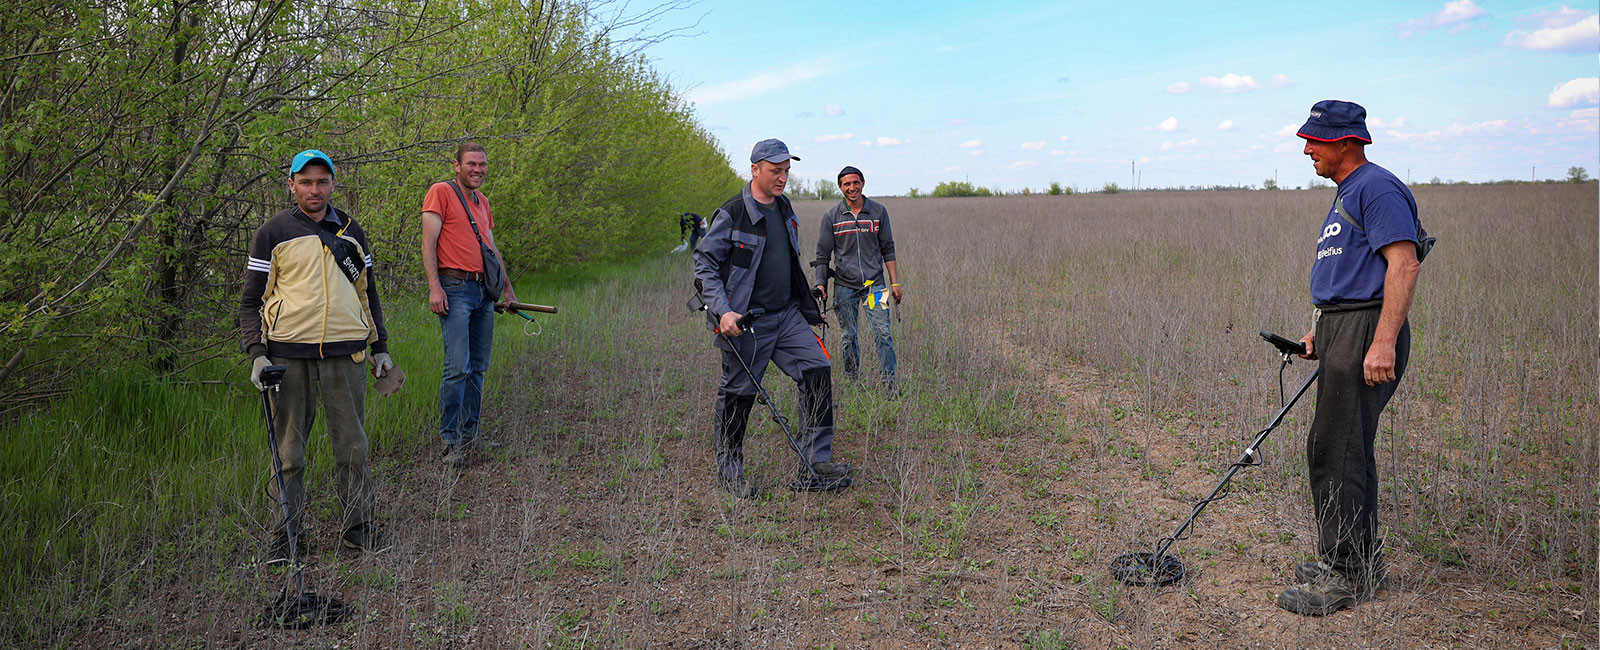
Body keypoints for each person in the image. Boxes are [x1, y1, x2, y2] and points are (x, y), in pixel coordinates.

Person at [1278, 100, 1427, 616]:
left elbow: (1403, 265)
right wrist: (1322, 328)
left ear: (1346, 141)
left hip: (1367, 328)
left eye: (1315, 140)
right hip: (1346, 327)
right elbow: (1348, 274)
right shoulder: (1351, 192)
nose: (1306, 150)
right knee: (1343, 447)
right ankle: (1357, 558)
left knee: (1337, 450)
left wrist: (1382, 340)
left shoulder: (1376, 187)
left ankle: (1347, 574)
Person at [239, 149, 393, 561]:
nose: (314, 189)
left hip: (349, 355)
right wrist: (257, 353)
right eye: (305, 182)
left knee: (353, 448)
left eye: (322, 181)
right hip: (288, 358)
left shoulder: (351, 230)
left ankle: (356, 527)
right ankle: (285, 534)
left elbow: (368, 292)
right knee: (289, 452)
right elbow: (250, 301)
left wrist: (380, 348)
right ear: (291, 184)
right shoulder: (272, 233)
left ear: (333, 184)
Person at [694, 139, 852, 498]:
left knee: (817, 371)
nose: (783, 178)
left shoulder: (784, 206)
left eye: (786, 171)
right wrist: (724, 311)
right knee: (738, 394)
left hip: (787, 316)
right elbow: (704, 265)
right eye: (775, 171)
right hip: (747, 321)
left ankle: (814, 465)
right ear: (755, 170)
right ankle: (730, 469)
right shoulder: (732, 213)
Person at [422, 142, 518, 469]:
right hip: (454, 288)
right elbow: (428, 242)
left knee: (478, 367)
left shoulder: (484, 202)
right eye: (471, 164)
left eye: (482, 164)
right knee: (458, 366)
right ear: (457, 165)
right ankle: (450, 440)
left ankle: (471, 433)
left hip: (483, 292)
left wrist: (508, 289)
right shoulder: (441, 192)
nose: (477, 169)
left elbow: (491, 249)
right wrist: (435, 287)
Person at [813, 165, 901, 392]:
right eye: (846, 184)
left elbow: (887, 248)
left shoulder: (878, 212)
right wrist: (820, 283)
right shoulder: (832, 216)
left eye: (856, 182)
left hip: (874, 285)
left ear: (863, 183)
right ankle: (853, 382)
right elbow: (822, 255)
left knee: (883, 332)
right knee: (848, 336)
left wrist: (895, 283)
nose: (852, 188)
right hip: (845, 286)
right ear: (840, 187)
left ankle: (889, 383)